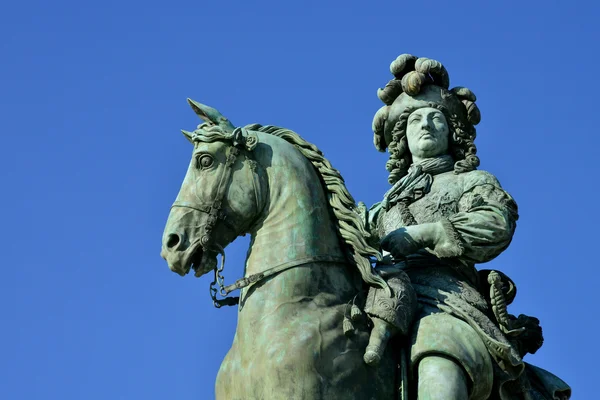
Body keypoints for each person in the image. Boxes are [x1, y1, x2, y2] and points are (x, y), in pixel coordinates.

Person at [365, 54, 570, 399]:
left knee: (437, 351)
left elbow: (496, 222)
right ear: (402, 138)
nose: (426, 126)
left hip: (446, 299)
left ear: (452, 132)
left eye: (436, 119)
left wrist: (424, 234)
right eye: (416, 121)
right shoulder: (379, 209)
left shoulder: (472, 181)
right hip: (379, 296)